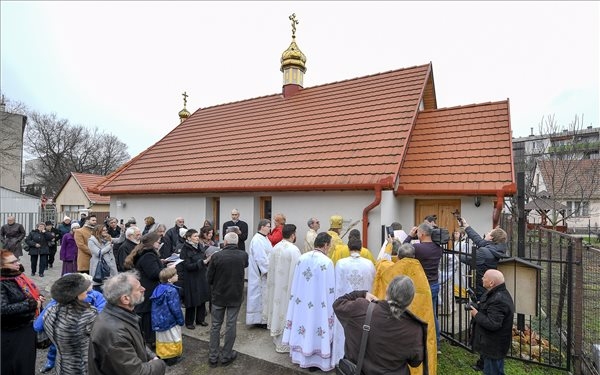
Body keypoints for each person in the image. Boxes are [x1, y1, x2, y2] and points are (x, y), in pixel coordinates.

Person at [333, 276, 428, 375]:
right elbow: (415, 362)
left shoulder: (359, 309)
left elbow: (338, 303)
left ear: (387, 290)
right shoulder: (414, 329)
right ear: (410, 301)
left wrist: (362, 294)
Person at [372, 242, 437, 375]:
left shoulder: (389, 272)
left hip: (395, 325)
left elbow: (380, 264)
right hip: (416, 331)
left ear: (399, 257)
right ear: (414, 256)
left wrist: (388, 246)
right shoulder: (421, 276)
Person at [88, 271, 166, 375]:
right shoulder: (115, 333)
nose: (144, 289)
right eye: (139, 289)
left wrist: (152, 356)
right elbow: (137, 372)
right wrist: (160, 364)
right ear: (125, 299)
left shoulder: (120, 314)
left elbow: (136, 344)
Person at [282, 232, 336, 372]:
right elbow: (330, 289)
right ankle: (316, 361)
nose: (329, 248)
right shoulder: (327, 262)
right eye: (329, 245)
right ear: (325, 245)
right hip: (319, 305)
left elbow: (296, 282)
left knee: (303, 325)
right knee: (316, 328)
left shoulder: (302, 258)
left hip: (302, 302)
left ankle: (301, 357)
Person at [35, 273, 106, 374]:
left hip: (62, 364)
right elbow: (101, 340)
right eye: (84, 289)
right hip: (83, 366)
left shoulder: (50, 311)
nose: (87, 290)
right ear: (76, 294)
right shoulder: (88, 314)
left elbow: (38, 328)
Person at [207, 232, 249, 368]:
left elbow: (209, 278)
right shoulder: (243, 255)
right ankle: (226, 355)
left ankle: (213, 356)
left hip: (219, 295)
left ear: (225, 243)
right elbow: (245, 265)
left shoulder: (217, 256)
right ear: (236, 243)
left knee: (215, 326)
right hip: (235, 295)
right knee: (231, 325)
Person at [332, 237, 376, 365]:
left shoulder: (340, 263)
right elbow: (372, 282)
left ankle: (340, 359)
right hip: (363, 307)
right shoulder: (369, 264)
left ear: (348, 247)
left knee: (343, 331)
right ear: (361, 248)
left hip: (346, 305)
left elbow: (338, 285)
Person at [1, 250, 44, 375]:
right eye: (13, 262)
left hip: (27, 327)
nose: (18, 263)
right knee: (13, 365)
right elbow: (2, 309)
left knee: (27, 363)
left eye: (17, 260)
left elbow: (27, 292)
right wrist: (31, 304)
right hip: (11, 332)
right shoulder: (3, 282)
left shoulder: (17, 276)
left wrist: (37, 297)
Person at [262, 224, 302, 353]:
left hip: (276, 287)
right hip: (288, 288)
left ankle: (277, 338)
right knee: (285, 310)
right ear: (292, 235)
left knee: (277, 309)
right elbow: (298, 271)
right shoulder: (293, 250)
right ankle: (285, 342)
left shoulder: (276, 247)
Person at [404, 223, 443, 349]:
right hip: (434, 284)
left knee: (418, 312)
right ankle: (436, 342)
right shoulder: (438, 248)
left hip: (421, 285)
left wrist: (410, 235)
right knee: (433, 314)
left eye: (418, 232)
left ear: (422, 234)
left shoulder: (417, 248)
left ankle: (420, 340)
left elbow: (402, 249)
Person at [470, 269, 515, 375]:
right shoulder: (494, 292)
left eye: (484, 277)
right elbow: (487, 308)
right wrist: (478, 306)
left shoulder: (499, 299)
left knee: (493, 371)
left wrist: (476, 314)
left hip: (494, 346)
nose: (482, 278)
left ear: (491, 283)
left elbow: (493, 324)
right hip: (490, 343)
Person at [124, 232, 165, 347]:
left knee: (145, 315)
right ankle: (148, 341)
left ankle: (145, 340)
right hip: (148, 289)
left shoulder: (144, 253)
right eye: (158, 241)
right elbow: (153, 273)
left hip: (145, 287)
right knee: (147, 316)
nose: (160, 243)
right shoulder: (149, 255)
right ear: (152, 243)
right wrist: (167, 269)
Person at [459, 218, 508, 299]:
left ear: (491, 238)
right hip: (490, 288)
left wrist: (453, 254)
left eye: (489, 232)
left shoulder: (484, 252)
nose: (487, 233)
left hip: (480, 289)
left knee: (479, 309)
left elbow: (466, 258)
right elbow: (479, 241)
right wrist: (466, 226)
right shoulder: (497, 249)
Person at [150, 267, 184, 366]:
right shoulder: (171, 291)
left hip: (159, 321)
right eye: (175, 274)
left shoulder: (158, 289)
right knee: (173, 338)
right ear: (169, 279)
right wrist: (180, 320)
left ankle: (163, 355)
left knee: (163, 339)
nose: (177, 275)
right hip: (170, 321)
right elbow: (175, 308)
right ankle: (172, 359)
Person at [179, 229, 211, 329]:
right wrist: (202, 262)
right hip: (191, 278)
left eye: (197, 236)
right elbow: (187, 266)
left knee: (201, 298)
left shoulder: (200, 246)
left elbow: (203, 257)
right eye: (195, 236)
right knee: (191, 300)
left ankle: (200, 320)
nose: (197, 238)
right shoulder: (185, 249)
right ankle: (189, 322)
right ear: (189, 238)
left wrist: (208, 259)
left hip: (201, 276)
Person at [247, 219, 273, 327]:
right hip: (260, 274)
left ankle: (263, 319)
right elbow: (260, 258)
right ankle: (259, 320)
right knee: (259, 296)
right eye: (268, 226)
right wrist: (267, 271)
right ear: (262, 227)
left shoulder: (265, 238)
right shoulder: (257, 240)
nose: (269, 228)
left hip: (263, 273)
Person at [89, 225, 120, 291]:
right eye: (104, 230)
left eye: (106, 230)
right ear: (98, 231)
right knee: (100, 288)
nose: (106, 231)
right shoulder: (92, 240)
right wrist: (109, 247)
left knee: (111, 288)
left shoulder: (107, 238)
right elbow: (98, 253)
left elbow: (119, 240)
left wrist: (123, 231)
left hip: (110, 266)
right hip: (99, 266)